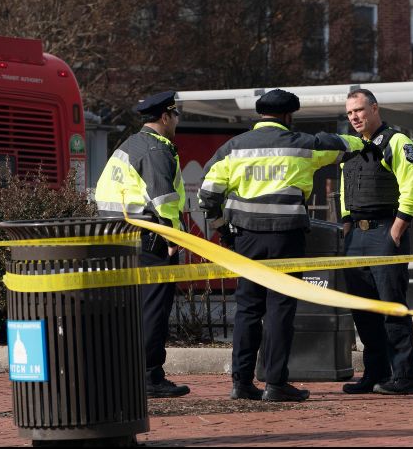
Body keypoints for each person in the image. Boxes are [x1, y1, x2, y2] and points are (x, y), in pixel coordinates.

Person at [198, 89, 369, 402]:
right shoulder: (304, 145)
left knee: (248, 309)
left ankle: (241, 382)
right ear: (289, 117)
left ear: (260, 116)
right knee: (280, 309)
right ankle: (275, 384)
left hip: (245, 237)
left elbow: (207, 195)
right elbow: (347, 145)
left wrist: (224, 231)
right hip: (286, 238)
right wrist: (365, 137)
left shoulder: (233, 148)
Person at [94, 91, 190, 398]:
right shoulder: (155, 150)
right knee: (152, 311)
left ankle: (127, 374)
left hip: (120, 239)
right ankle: (150, 377)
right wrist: (174, 237)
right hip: (150, 240)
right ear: (165, 117)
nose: (176, 121)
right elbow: (165, 201)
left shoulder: (129, 145)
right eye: (175, 116)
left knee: (130, 312)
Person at [339, 89, 413, 396]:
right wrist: (347, 226)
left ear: (375, 108)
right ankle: (374, 374)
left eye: (359, 110)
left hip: (385, 231)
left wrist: (397, 231)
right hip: (356, 237)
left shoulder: (398, 142)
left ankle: (405, 377)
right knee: (363, 310)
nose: (355, 117)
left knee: (391, 309)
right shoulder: (350, 147)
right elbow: (345, 192)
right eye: (350, 113)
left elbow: (412, 189)